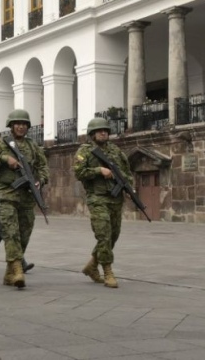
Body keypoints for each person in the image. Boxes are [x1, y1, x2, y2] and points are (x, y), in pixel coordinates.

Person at [0, 108, 48, 289]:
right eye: (17, 124)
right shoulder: (1, 143)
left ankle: (10, 271)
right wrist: (4, 158)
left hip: (27, 196)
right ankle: (18, 269)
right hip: (7, 194)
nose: (20, 127)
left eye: (24, 124)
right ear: (11, 126)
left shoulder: (33, 146)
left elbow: (43, 167)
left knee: (24, 234)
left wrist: (40, 181)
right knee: (11, 232)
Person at [73, 117, 134, 289]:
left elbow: (127, 173)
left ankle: (92, 265)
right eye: (100, 130)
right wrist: (99, 170)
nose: (103, 133)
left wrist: (129, 188)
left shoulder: (116, 151)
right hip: (97, 198)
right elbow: (79, 172)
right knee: (104, 234)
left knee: (113, 235)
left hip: (115, 198)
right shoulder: (85, 151)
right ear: (92, 133)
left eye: (106, 130)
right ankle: (107, 271)